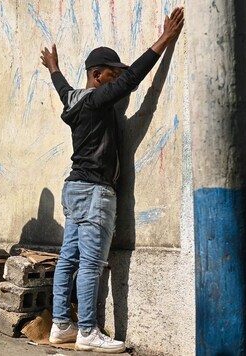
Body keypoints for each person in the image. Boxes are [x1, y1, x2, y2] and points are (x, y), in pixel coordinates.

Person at [40, 7, 184, 353]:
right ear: (98, 75)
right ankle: (88, 331)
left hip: (74, 189)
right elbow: (134, 78)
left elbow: (62, 86)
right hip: (93, 192)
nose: (118, 82)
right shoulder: (98, 100)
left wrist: (54, 68)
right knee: (89, 263)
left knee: (68, 260)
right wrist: (165, 38)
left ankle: (61, 325)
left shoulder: (74, 100)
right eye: (112, 75)